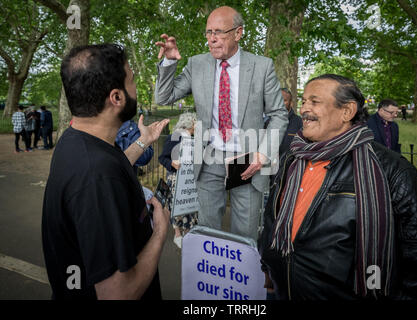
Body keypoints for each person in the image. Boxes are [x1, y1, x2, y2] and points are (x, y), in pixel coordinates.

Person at [259, 74, 417, 300]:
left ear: (347, 111)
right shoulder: (292, 158)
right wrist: (268, 263)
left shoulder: (392, 172)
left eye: (314, 102)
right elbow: (271, 219)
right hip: (281, 291)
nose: (304, 108)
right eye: (304, 101)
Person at [42, 43, 170, 300]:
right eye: (131, 80)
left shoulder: (76, 138)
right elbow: (117, 293)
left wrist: (143, 142)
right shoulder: (97, 178)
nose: (135, 88)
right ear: (117, 97)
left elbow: (112, 163)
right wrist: (159, 233)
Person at [155, 6, 288, 241]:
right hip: (208, 159)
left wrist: (263, 154)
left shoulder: (262, 66)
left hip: (248, 160)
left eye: (218, 32)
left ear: (238, 33)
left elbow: (279, 114)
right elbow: (164, 98)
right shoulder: (197, 64)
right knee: (208, 233)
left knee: (245, 236)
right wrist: (168, 63)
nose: (212, 39)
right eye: (208, 32)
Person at [159, 112, 198, 249]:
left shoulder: (194, 139)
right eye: (195, 121)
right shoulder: (175, 137)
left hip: (189, 179)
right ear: (190, 123)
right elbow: (162, 158)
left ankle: (188, 233)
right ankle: (177, 235)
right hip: (176, 178)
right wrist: (172, 164)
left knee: (190, 207)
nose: (197, 124)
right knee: (177, 207)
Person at [265, 88, 302, 158]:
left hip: (291, 166)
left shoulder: (300, 122)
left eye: (284, 100)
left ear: (291, 103)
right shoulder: (267, 122)